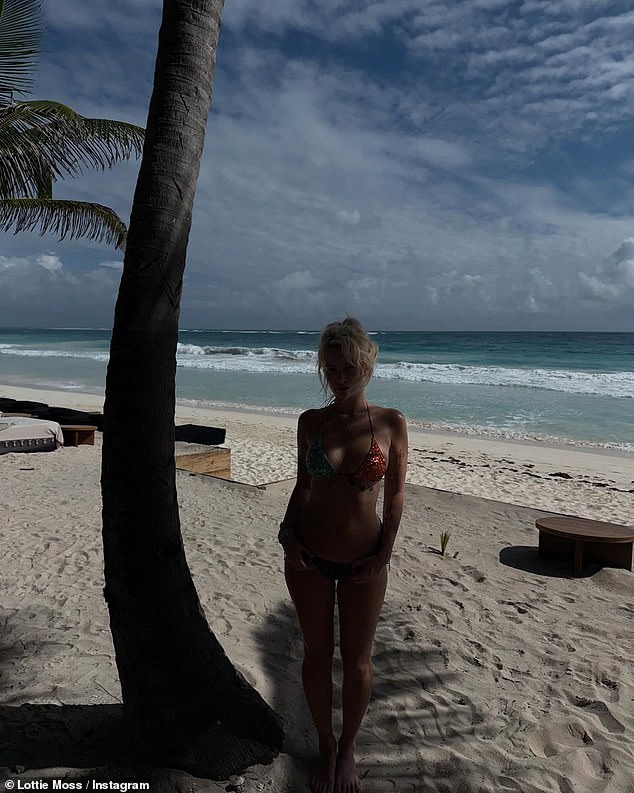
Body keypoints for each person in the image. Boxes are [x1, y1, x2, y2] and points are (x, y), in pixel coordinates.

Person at [279, 317, 408, 793]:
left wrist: (384, 554)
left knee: (356, 660)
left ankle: (348, 747)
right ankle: (326, 747)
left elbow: (394, 497)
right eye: (331, 368)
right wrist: (287, 534)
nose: (339, 375)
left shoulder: (391, 423)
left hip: (364, 561)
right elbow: (303, 486)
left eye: (348, 366)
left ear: (366, 364)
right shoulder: (311, 422)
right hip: (309, 555)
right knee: (316, 655)